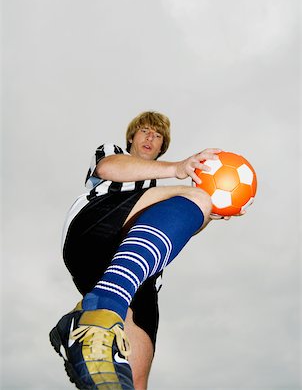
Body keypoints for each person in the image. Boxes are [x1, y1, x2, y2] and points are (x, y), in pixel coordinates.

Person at [49, 111, 234, 390]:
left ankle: (90, 321)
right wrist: (179, 171)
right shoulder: (112, 152)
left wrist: (207, 213)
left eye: (158, 135)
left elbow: (185, 228)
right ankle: (100, 315)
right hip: (95, 231)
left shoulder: (163, 196)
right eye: (145, 131)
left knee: (132, 383)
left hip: (138, 277)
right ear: (131, 137)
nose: (151, 137)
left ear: (162, 147)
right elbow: (110, 169)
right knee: (196, 197)